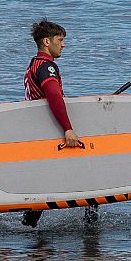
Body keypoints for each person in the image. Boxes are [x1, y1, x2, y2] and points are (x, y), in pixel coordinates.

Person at [20, 19, 86, 228]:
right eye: (61, 39)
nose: (64, 44)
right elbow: (54, 96)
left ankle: (29, 225)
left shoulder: (34, 64)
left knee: (49, 180)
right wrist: (68, 128)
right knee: (87, 175)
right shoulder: (46, 67)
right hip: (50, 131)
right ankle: (91, 229)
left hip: (39, 130)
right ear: (47, 41)